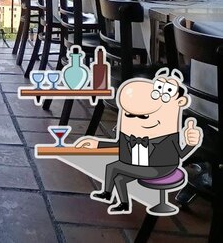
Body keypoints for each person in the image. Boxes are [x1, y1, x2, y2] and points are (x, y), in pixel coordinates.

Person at [74, 68, 202, 214]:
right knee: (116, 171)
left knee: (115, 168)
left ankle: (110, 195)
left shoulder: (166, 136)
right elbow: (119, 145)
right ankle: (119, 201)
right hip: (143, 163)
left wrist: (191, 143)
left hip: (161, 168)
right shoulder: (132, 133)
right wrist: (96, 144)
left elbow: (179, 154)